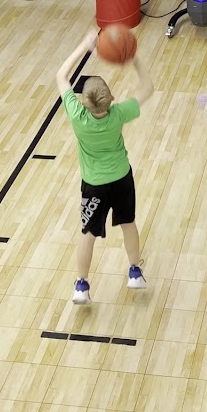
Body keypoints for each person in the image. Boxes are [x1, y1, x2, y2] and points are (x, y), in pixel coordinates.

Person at [56, 29, 154, 304]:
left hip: (94, 184)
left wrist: (85, 47)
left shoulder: (77, 116)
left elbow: (61, 76)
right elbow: (148, 89)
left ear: (83, 102)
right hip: (121, 179)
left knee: (88, 234)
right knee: (128, 223)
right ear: (111, 100)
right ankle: (134, 272)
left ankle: (81, 286)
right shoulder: (118, 114)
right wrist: (133, 59)